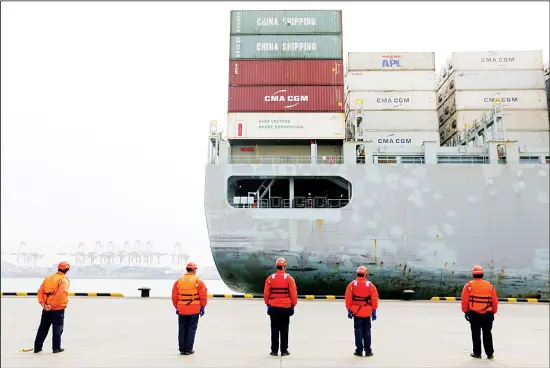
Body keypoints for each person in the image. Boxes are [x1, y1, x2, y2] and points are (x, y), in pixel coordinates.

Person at [461, 265, 498, 360]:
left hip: (474, 314)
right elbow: (494, 301)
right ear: (482, 274)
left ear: (473, 274)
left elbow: (465, 300)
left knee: (476, 334)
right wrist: (493, 312)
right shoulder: (489, 286)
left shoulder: (469, 286)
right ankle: (490, 353)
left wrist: (466, 311)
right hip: (488, 314)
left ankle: (477, 353)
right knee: (487, 333)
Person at [33, 261, 71, 353]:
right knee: (57, 328)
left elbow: (40, 291)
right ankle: (56, 348)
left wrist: (43, 303)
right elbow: (60, 294)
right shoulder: (64, 280)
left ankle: (37, 348)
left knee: (43, 328)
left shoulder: (48, 278)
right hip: (57, 309)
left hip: (46, 308)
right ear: (67, 269)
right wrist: (52, 305)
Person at [264, 257, 298, 357]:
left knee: (274, 329)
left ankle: (274, 351)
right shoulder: (289, 279)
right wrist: (293, 305)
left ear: (277, 266)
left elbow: (266, 294)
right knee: (284, 329)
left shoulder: (270, 278)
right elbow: (293, 294)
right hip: (285, 307)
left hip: (274, 307)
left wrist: (268, 304)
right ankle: (284, 350)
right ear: (284, 267)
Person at [172, 262, 208, 355]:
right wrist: (203, 306)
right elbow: (203, 295)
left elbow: (174, 296)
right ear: (195, 270)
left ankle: (182, 349)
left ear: (186, 269)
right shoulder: (198, 281)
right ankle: (188, 349)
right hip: (194, 309)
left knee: (182, 328)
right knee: (191, 328)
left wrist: (177, 306)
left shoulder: (179, 281)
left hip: (182, 309)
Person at [345, 266, 379, 357]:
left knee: (358, 331)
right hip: (367, 312)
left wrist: (349, 309)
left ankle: (359, 351)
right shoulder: (370, 286)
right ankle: (368, 351)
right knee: (367, 331)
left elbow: (348, 298)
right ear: (365, 274)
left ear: (357, 274)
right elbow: (374, 299)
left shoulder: (351, 285)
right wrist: (374, 311)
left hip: (356, 312)